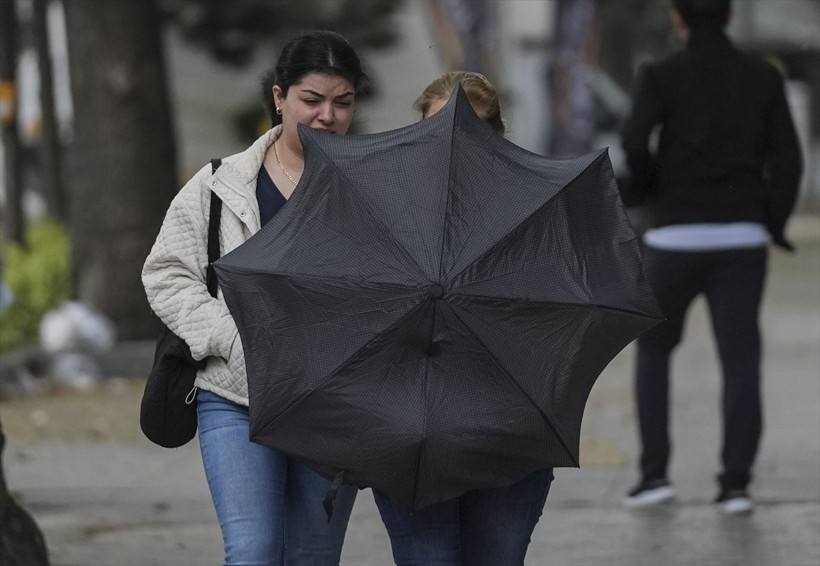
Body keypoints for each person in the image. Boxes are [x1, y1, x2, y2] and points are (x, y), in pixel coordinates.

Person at [142, 31, 368, 565]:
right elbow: (166, 273)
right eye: (311, 100)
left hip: (330, 399)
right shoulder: (222, 182)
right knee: (253, 550)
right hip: (235, 394)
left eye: (343, 102)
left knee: (314, 555)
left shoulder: (369, 189)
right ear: (278, 98)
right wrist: (228, 336)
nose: (327, 116)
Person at [620, 0, 802, 515]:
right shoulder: (760, 77)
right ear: (727, 16)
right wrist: (774, 222)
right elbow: (787, 157)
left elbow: (634, 138)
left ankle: (655, 476)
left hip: (675, 235)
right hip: (741, 238)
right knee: (740, 359)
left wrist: (653, 188)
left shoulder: (660, 73)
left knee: (654, 351)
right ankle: (736, 486)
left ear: (678, 19)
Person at [371, 71, 554, 566]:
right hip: (409, 432)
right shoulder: (382, 209)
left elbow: (556, 325)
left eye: (467, 130)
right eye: (436, 131)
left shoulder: (538, 212)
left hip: (509, 434)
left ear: (496, 136)